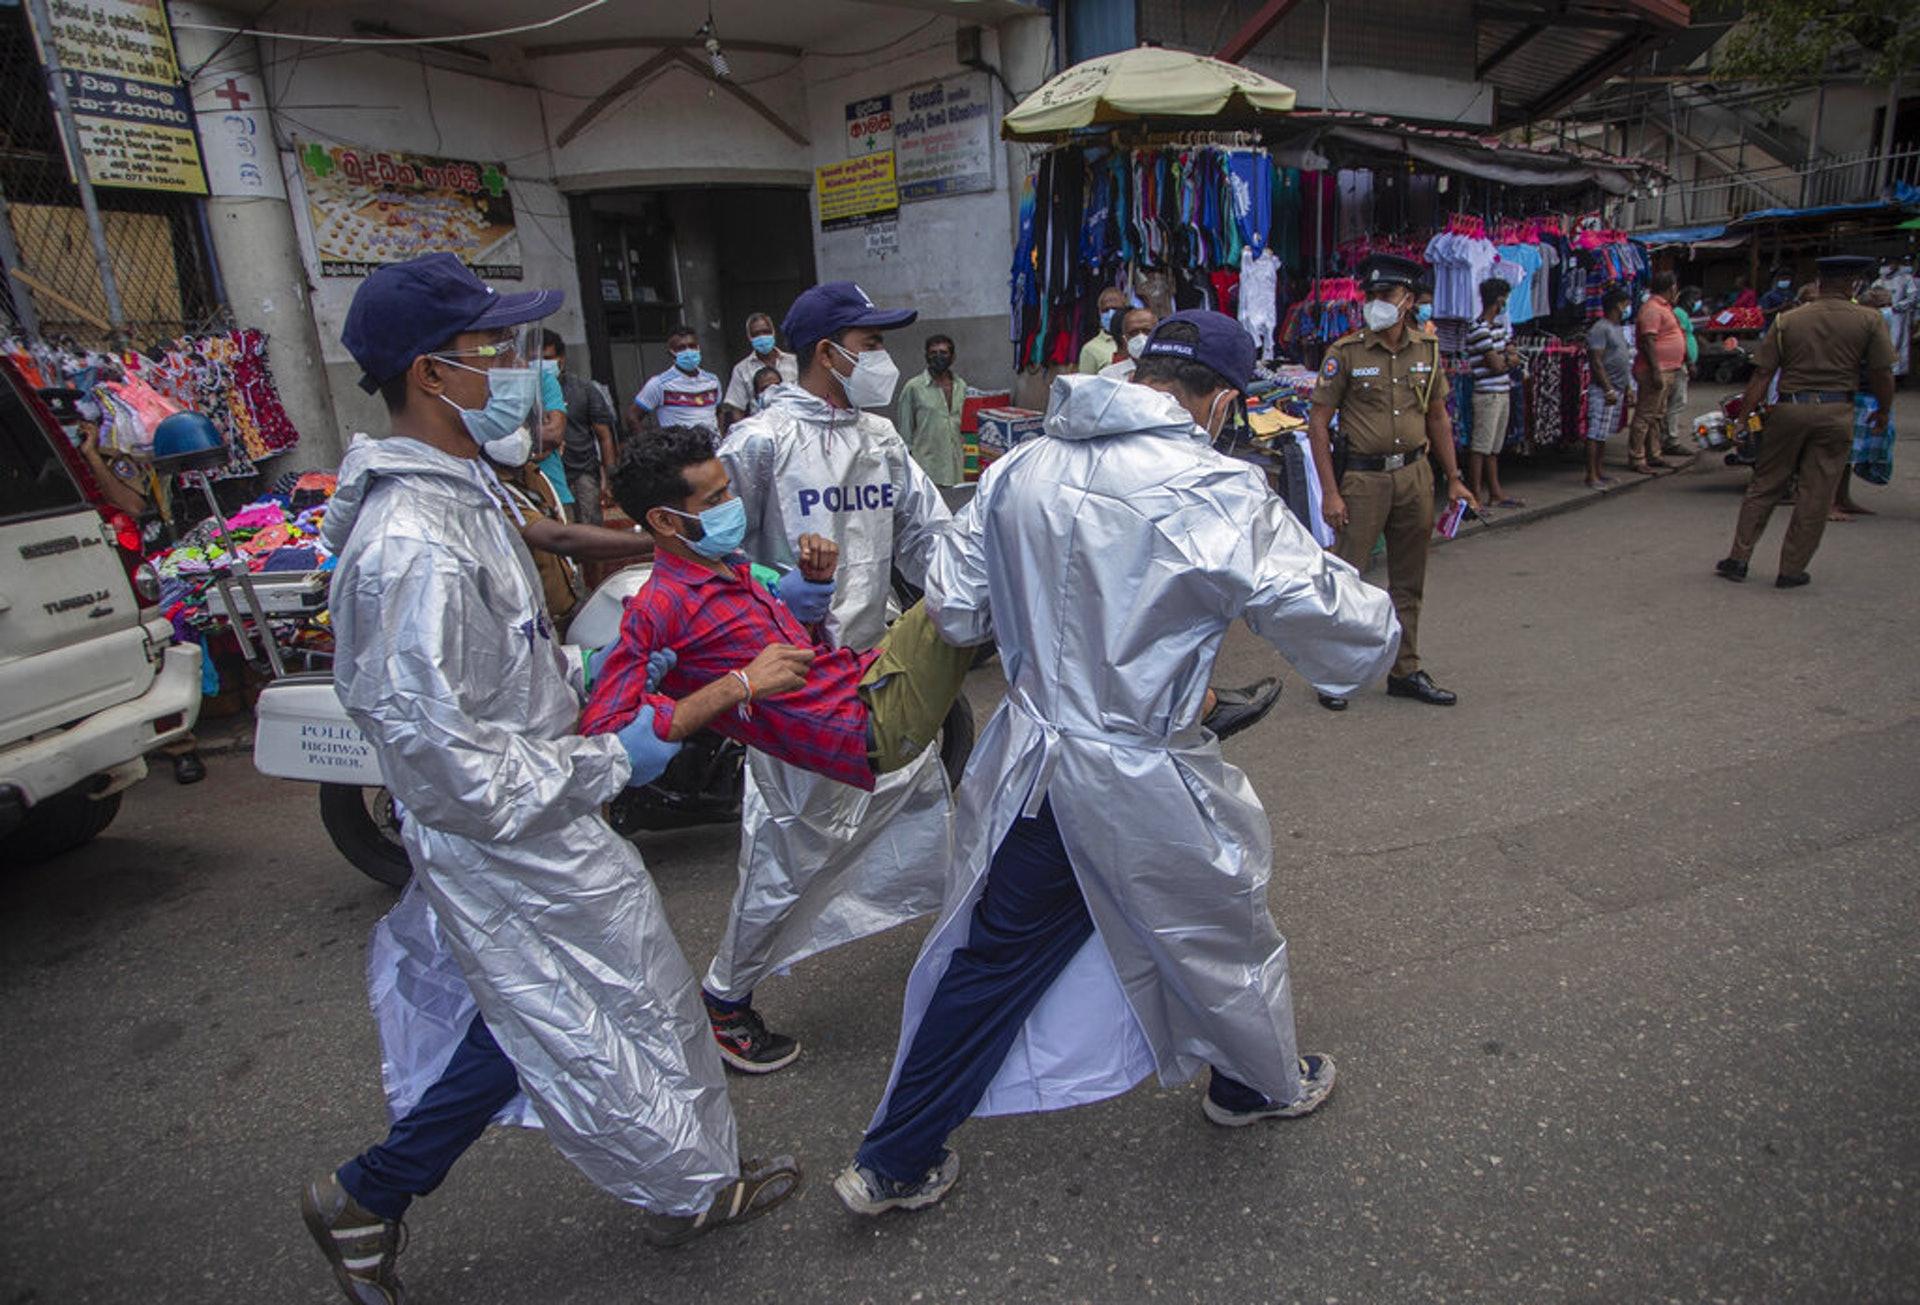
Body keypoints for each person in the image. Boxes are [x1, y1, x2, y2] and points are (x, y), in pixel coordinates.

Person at [304, 254, 798, 1304]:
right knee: (585, 1013)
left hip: (546, 803)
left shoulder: (464, 491)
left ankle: (670, 1184)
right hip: (512, 833)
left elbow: (492, 663)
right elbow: (447, 767)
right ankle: (374, 1195)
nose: (517, 370)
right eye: (492, 352)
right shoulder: (411, 548)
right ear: (432, 375)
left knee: (578, 1012)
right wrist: (617, 753)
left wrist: (587, 671)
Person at [831, 311, 1400, 1216]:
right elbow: (1352, 631)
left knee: (997, 957)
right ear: (1218, 400)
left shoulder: (1021, 466)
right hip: (1138, 773)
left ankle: (892, 1159)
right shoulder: (1216, 487)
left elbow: (953, 607)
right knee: (1217, 933)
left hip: (1036, 764)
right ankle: (1254, 1084)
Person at [581, 423, 982, 785]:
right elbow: (607, 745)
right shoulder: (658, 605)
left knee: (968, 573)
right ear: (665, 522)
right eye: (715, 498)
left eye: (728, 489)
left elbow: (787, 662)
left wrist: (814, 582)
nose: (732, 503)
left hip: (863, 679)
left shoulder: (732, 569)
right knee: (971, 566)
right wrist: (737, 686)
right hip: (868, 723)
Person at [1306, 254, 1477, 712]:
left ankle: (1406, 670)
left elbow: (1438, 416)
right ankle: (1334, 672)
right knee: (1346, 578)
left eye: (1386, 295)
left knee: (1408, 580)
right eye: (1372, 296)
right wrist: (1330, 491)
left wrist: (1455, 480)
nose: (1376, 303)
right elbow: (1318, 424)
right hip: (1363, 479)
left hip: (1415, 476)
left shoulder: (1428, 351)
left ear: (1408, 300)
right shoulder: (1345, 353)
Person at [1715, 255, 1895, 589]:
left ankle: (1738, 559)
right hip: (1836, 410)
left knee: (1765, 484)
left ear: (1819, 281)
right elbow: (1882, 373)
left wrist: (1743, 419)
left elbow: (1762, 374)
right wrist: (1883, 411)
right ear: (1853, 283)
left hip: (1789, 408)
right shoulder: (1869, 320)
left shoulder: (1788, 320)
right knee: (1816, 492)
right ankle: (1791, 569)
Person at [76, 424, 207, 784]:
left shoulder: (112, 462)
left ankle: (181, 748)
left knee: (151, 652)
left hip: (122, 568)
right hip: (78, 574)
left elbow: (132, 506)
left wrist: (90, 456)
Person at [541, 331, 618, 525]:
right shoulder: (526, 393)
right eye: (537, 359)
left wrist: (610, 477)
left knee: (590, 526)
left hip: (582, 471)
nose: (542, 364)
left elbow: (604, 436)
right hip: (546, 474)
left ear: (561, 359)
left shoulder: (583, 389)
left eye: (547, 358)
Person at [1465, 277, 1521, 510]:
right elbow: (1498, 363)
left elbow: (1508, 357)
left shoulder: (1497, 329)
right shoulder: (1478, 330)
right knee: (1481, 446)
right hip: (1487, 394)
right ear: (1498, 301)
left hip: (1501, 391)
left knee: (1494, 448)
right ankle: (1475, 495)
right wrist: (1508, 360)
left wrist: (1505, 360)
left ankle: (1495, 492)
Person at [1626, 271, 1686, 475]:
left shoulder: (1663, 307)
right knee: (1645, 415)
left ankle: (1654, 453)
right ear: (1671, 287)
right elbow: (1648, 341)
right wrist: (1656, 370)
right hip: (1655, 369)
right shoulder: (1652, 309)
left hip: (1667, 368)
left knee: (1657, 415)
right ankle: (1637, 456)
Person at [896, 334, 969, 486]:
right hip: (927, 469)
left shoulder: (961, 386)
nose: (938, 357)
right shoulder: (913, 387)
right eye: (933, 353)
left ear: (953, 357)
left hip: (957, 468)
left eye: (943, 353)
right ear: (926, 357)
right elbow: (905, 435)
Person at [1584, 287, 1634, 489]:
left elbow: (1623, 360)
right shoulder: (1600, 328)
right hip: (1603, 389)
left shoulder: (1617, 328)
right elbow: (1596, 361)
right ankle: (1591, 475)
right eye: (1626, 304)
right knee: (1595, 432)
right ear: (1618, 305)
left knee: (1603, 433)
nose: (1628, 308)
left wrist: (1628, 387)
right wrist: (1608, 389)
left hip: (1618, 387)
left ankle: (1599, 470)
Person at [633, 324, 722, 432]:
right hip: (680, 447)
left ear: (698, 348)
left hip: (712, 447)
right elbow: (632, 417)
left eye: (692, 346)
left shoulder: (713, 381)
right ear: (671, 352)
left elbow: (718, 413)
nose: (688, 352)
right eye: (681, 348)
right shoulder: (659, 384)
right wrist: (652, 445)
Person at [721, 312, 798, 428]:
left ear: (773, 332)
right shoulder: (741, 369)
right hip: (762, 428)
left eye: (766, 332)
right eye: (756, 334)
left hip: (793, 425)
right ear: (749, 337)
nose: (762, 337)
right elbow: (736, 409)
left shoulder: (794, 361)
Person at [1664, 292, 1699, 456]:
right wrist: (1689, 361)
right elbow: (1682, 338)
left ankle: (1670, 437)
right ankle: (1671, 439)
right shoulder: (1679, 313)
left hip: (1679, 362)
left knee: (1676, 402)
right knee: (1677, 401)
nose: (1696, 303)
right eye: (1694, 298)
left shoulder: (1680, 313)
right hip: (1678, 363)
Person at [1076, 285, 1130, 374]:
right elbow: (1086, 385)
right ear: (1099, 312)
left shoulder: (1134, 340)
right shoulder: (1090, 349)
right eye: (1106, 310)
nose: (1111, 314)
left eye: (1116, 309)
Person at [1097, 306, 1157, 381]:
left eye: (1147, 331)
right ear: (1125, 339)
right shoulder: (1107, 376)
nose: (1141, 337)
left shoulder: (1172, 372)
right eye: (1133, 333)